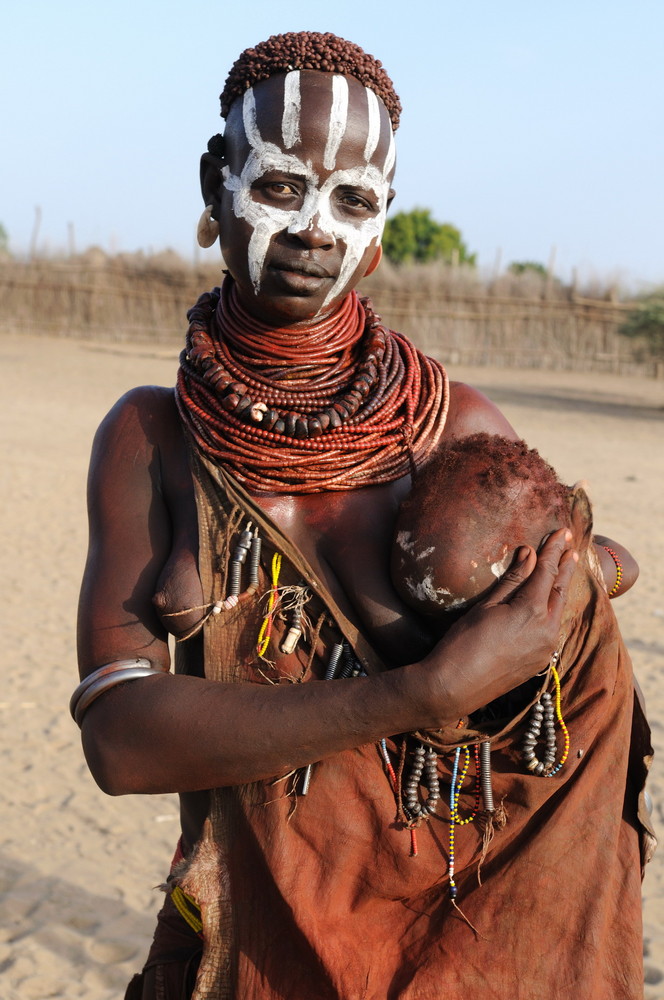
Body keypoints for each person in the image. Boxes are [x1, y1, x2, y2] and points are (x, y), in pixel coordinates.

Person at [72, 32, 649, 1000]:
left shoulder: (449, 426)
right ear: (216, 187)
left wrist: (582, 575)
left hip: (450, 945)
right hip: (242, 946)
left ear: (380, 231)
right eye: (281, 186)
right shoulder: (153, 438)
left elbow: (569, 597)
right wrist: (414, 694)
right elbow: (122, 743)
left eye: (351, 200)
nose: (313, 229)